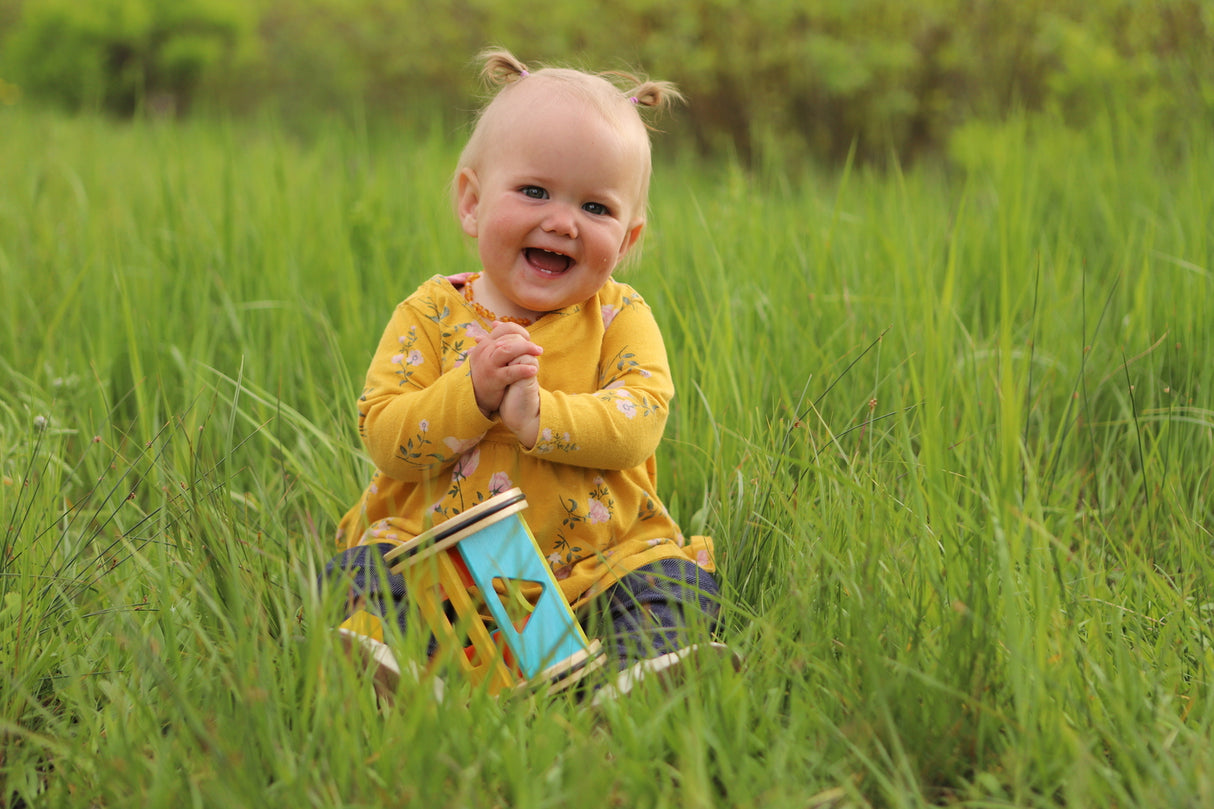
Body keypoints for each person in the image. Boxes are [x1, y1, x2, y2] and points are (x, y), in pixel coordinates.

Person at [324, 48, 727, 698]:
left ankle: (641, 675)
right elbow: (386, 435)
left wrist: (541, 418)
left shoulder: (620, 315)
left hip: (596, 560)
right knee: (369, 570)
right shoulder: (431, 314)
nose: (563, 221)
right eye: (534, 191)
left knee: (666, 580)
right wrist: (471, 394)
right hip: (440, 551)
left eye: (597, 208)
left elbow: (641, 417)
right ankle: (391, 661)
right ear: (472, 203)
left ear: (626, 241)